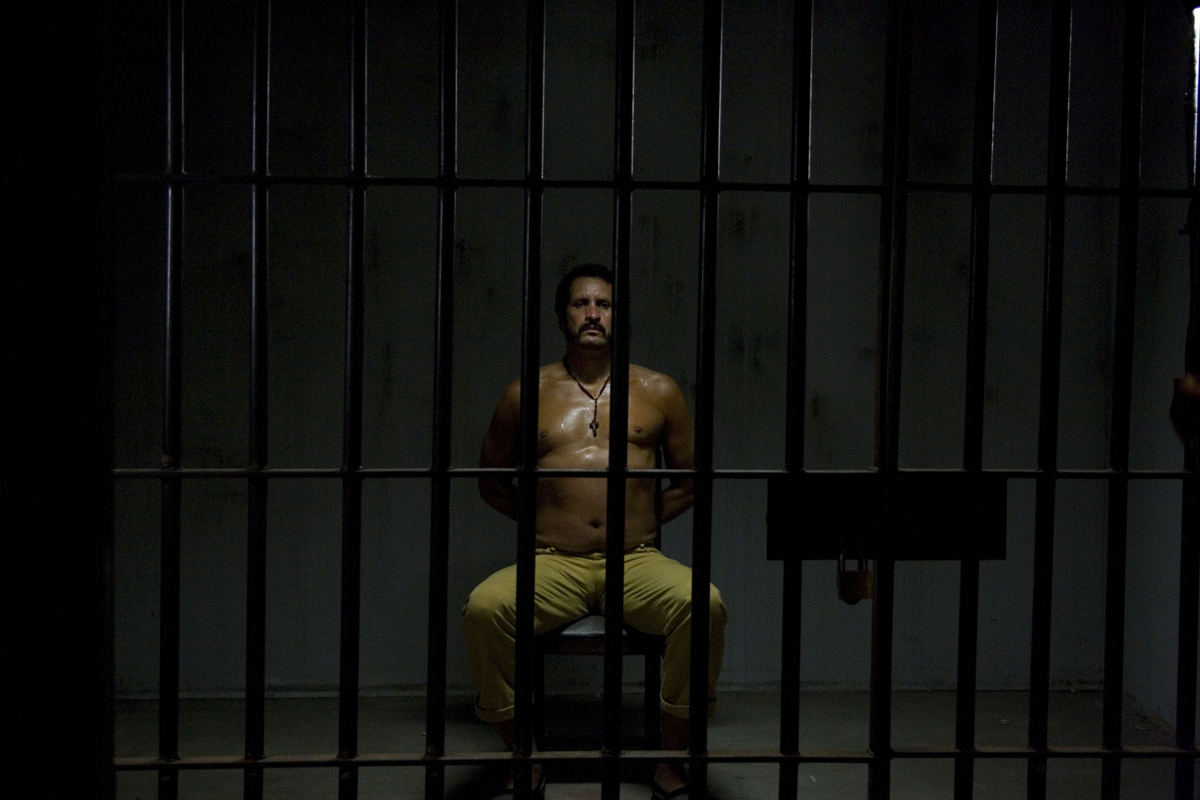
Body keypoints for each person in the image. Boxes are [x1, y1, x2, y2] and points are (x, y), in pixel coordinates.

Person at [462, 263, 726, 800]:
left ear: (617, 316)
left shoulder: (658, 390)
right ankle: (524, 754)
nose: (592, 314)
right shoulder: (525, 392)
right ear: (562, 316)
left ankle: (668, 759)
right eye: (581, 304)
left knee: (705, 605)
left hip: (635, 561)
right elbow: (490, 481)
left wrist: (644, 518)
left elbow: (692, 480)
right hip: (553, 562)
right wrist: (544, 520)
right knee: (484, 608)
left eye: (603, 304)